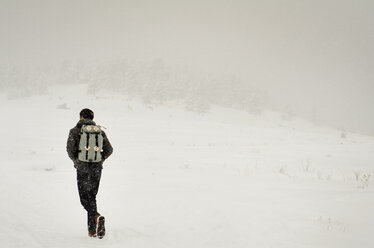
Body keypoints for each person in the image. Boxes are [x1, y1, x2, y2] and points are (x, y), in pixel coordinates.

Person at [66, 108, 113, 238]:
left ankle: (96, 217)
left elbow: (70, 150)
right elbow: (109, 150)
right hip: (97, 169)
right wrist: (100, 160)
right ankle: (92, 230)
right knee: (92, 197)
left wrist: (77, 161)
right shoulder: (100, 132)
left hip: (82, 168)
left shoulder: (75, 131)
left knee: (84, 199)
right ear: (92, 118)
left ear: (81, 117)